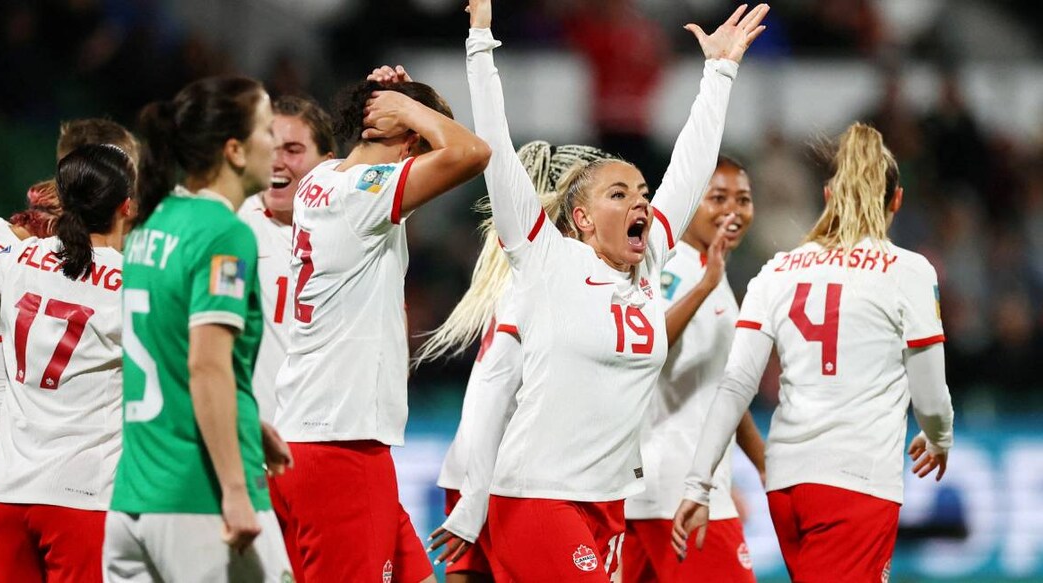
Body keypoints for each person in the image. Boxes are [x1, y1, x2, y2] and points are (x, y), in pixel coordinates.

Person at [464, 1, 767, 580]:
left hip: (609, 505)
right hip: (537, 495)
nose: (641, 203)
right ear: (581, 218)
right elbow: (497, 151)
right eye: (619, 194)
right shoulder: (546, 260)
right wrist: (481, 43)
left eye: (643, 193)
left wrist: (720, 72)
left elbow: (691, 167)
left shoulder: (649, 262)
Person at [673, 123, 955, 583]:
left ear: (827, 196)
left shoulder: (777, 271)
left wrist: (698, 482)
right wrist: (939, 437)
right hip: (855, 482)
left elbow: (736, 384)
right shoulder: (909, 271)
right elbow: (930, 396)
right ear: (897, 200)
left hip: (787, 485)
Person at [268, 62, 491, 581]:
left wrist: (388, 97)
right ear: (412, 142)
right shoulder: (363, 194)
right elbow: (471, 153)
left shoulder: (322, 179)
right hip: (340, 444)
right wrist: (408, 106)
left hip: (320, 435)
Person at [0, 118, 136, 583]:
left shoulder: (15, 260)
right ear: (128, 206)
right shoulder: (134, 285)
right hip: (77, 494)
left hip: (5, 491)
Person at [104, 76, 295, 582]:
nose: (275, 143)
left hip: (132, 500)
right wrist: (234, 490)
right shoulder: (224, 233)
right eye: (266, 129)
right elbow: (206, 364)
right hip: (199, 498)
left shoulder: (152, 225)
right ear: (235, 150)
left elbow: (166, 347)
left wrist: (246, 422)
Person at [422, 141, 617, 583]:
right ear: (579, 214)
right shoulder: (545, 285)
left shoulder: (533, 277)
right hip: (513, 482)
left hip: (484, 471)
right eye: (610, 196)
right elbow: (492, 390)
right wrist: (476, 498)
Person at [623, 156, 765, 583]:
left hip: (664, 488)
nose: (733, 210)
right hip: (678, 487)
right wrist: (703, 288)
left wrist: (763, 463)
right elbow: (645, 346)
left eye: (743, 199)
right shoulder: (673, 267)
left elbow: (722, 389)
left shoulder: (709, 267)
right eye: (717, 198)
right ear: (689, 202)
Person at [237, 95, 336, 422]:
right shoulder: (234, 222)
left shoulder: (348, 234)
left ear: (327, 164)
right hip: (248, 434)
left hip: (319, 432)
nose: (276, 162)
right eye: (269, 147)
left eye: (293, 150)